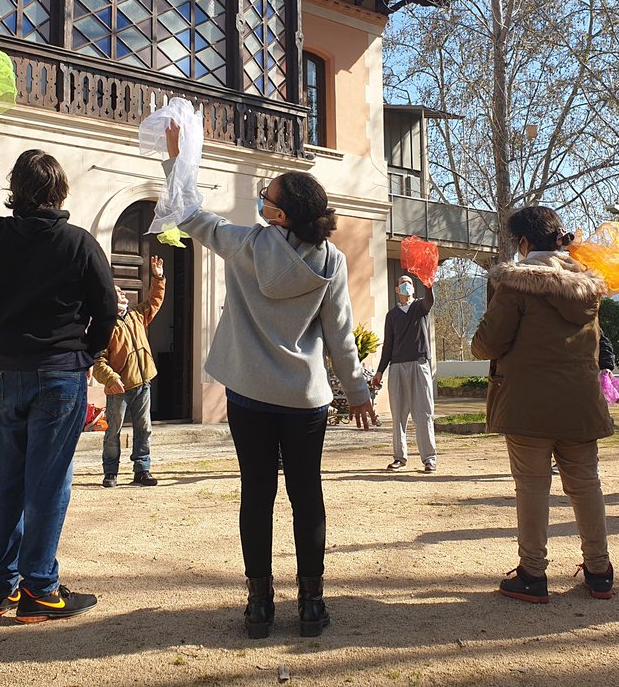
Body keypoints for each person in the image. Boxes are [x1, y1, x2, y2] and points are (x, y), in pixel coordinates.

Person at [164, 122, 374, 639]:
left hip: (250, 394)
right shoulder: (332, 261)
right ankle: (312, 604)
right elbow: (340, 334)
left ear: (279, 214)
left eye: (267, 195)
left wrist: (176, 158)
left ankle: (259, 604)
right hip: (306, 398)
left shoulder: (245, 245)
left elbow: (189, 214)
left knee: (256, 494)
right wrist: (358, 391)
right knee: (307, 495)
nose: (261, 198)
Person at [0, 146, 119, 623]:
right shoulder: (79, 243)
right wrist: (85, 355)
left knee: (7, 484)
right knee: (48, 485)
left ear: (15, 192)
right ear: (61, 192)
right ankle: (40, 590)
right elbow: (107, 310)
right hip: (60, 374)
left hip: (6, 374)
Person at [472, 206, 615, 603]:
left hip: (527, 402)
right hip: (581, 401)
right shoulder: (588, 285)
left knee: (532, 487)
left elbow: (489, 344)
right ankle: (599, 570)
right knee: (586, 485)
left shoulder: (515, 284)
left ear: (523, 242)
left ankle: (533, 573)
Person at [93, 255, 165, 488]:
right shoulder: (104, 325)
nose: (123, 293)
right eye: (118, 292)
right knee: (113, 431)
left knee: (144, 429)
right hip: (120, 388)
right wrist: (111, 379)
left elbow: (154, 301)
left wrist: (158, 277)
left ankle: (142, 470)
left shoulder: (135, 314)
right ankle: (110, 472)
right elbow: (97, 361)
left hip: (143, 384)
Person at [371, 273, 437, 473]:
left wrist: (428, 284)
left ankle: (429, 459)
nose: (406, 286)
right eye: (402, 283)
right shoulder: (391, 316)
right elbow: (388, 346)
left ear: (413, 289)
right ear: (396, 290)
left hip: (419, 364)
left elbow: (430, 301)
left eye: (409, 283)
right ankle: (399, 458)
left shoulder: (420, 308)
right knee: (398, 414)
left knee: (423, 413)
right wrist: (380, 371)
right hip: (397, 367)